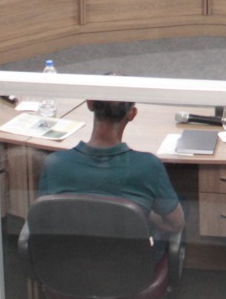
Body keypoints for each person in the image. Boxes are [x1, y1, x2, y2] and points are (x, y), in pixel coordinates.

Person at [37, 98, 185, 236]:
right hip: (129, 255)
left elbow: (44, 219)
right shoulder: (149, 166)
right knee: (183, 204)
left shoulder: (54, 163)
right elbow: (175, 224)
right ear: (132, 113)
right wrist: (144, 214)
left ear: (89, 103)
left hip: (67, 254)